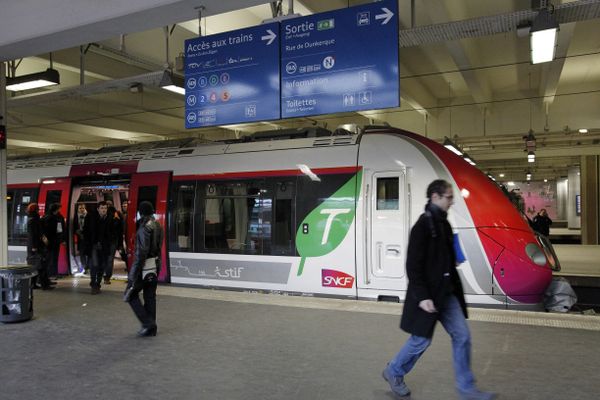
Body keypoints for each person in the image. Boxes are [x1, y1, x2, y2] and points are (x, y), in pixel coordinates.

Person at [382, 180, 496, 400]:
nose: (451, 202)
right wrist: (423, 296)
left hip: (447, 293)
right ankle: (394, 371)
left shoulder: (444, 224)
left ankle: (467, 390)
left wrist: (452, 261)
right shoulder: (422, 226)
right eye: (448, 197)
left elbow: (445, 256)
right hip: (429, 296)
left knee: (462, 336)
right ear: (435, 197)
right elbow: (412, 266)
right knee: (420, 340)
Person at [125, 201, 163, 337]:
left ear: (141, 213)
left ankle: (148, 324)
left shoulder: (143, 228)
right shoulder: (158, 225)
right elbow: (158, 248)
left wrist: (133, 274)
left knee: (130, 295)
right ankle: (151, 328)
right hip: (155, 265)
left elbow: (141, 254)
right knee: (150, 296)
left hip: (143, 268)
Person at [26, 203, 54, 290]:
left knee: (35, 266)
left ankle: (34, 284)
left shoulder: (32, 219)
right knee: (41, 266)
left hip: (33, 246)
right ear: (36, 210)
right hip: (36, 246)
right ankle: (44, 285)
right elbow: (34, 234)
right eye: (38, 209)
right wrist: (35, 246)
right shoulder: (34, 220)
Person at [89, 201, 113, 294]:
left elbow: (112, 232)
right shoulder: (91, 218)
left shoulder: (110, 218)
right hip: (94, 245)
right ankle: (93, 284)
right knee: (94, 265)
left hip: (105, 246)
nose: (104, 210)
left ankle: (98, 284)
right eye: (102, 208)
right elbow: (88, 231)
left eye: (105, 208)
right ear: (98, 209)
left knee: (102, 265)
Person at [42, 203, 66, 278]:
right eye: (59, 208)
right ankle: (51, 274)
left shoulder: (58, 216)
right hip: (51, 241)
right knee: (51, 258)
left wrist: (61, 239)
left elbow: (61, 228)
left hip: (55, 240)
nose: (60, 209)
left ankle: (54, 273)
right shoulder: (49, 217)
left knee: (54, 257)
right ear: (55, 209)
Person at [103, 200, 123, 284]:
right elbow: (120, 229)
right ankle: (107, 277)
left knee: (106, 258)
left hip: (106, 240)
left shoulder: (104, 215)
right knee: (110, 259)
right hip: (113, 240)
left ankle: (105, 275)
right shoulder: (117, 214)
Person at [73, 202, 91, 274]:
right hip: (80, 238)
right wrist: (78, 232)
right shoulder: (75, 216)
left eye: (83, 208)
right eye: (80, 208)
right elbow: (74, 227)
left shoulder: (89, 215)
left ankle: (89, 266)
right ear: (77, 209)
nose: (82, 209)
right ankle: (85, 267)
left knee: (89, 253)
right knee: (82, 253)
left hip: (88, 237)